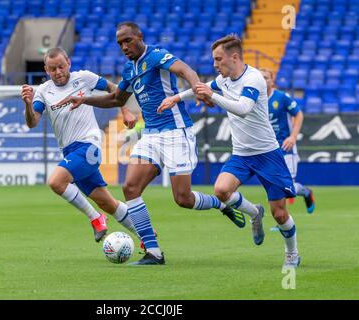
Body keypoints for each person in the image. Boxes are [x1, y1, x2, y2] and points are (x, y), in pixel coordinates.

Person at [56, 22, 246, 266]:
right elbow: (116, 98)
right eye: (120, 43)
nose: (124, 46)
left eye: (128, 41)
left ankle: (221, 204)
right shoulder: (129, 68)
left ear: (139, 37)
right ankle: (153, 253)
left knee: (183, 198)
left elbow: (184, 69)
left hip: (176, 132)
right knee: (130, 187)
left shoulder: (156, 56)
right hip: (151, 134)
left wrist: (198, 89)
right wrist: (84, 101)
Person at [159, 34, 301, 268]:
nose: (215, 65)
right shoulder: (223, 79)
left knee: (280, 214)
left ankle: (292, 253)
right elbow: (200, 88)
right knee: (221, 190)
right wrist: (175, 97)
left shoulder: (253, 79)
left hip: (267, 154)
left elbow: (243, 109)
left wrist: (211, 95)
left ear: (234, 57)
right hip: (241, 154)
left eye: (218, 59)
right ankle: (255, 212)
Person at [21, 47, 140, 243]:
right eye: (53, 69)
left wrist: (125, 111)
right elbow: (32, 122)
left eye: (61, 66)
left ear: (68, 63)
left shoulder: (84, 77)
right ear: (46, 70)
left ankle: (96, 219)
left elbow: (114, 88)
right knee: (108, 203)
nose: (58, 72)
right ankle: (146, 235)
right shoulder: (43, 91)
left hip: (89, 145)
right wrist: (27, 103)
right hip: (70, 151)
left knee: (56, 182)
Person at [259, 68, 315, 214]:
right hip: (267, 150)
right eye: (260, 78)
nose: (263, 80)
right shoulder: (254, 99)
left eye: (266, 77)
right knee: (275, 186)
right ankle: (284, 219)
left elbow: (298, 115)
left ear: (272, 81)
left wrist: (293, 137)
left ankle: (306, 193)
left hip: (285, 147)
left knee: (286, 186)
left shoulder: (281, 97)